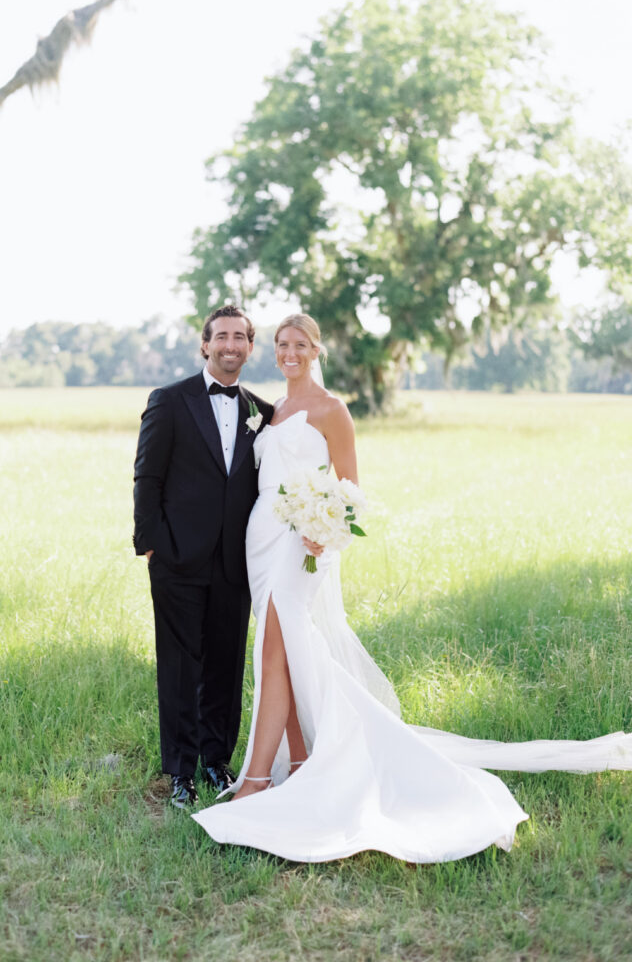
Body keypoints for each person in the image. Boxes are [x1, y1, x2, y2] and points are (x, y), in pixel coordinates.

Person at [193, 313, 632, 863]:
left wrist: (321, 534)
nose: (289, 353)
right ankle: (301, 762)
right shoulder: (271, 410)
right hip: (261, 539)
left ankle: (258, 777)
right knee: (280, 651)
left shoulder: (333, 411)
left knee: (279, 643)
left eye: (299, 345)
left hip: (301, 543)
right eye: (281, 345)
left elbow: (350, 490)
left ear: (316, 350)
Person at [133, 305, 274, 809]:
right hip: (176, 557)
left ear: (250, 347)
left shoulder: (264, 412)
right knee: (179, 667)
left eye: (241, 338)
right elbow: (147, 476)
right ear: (205, 344)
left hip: (237, 562)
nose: (231, 346)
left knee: (225, 664)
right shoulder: (170, 401)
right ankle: (180, 771)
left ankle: (217, 760)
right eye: (222, 338)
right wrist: (149, 544)